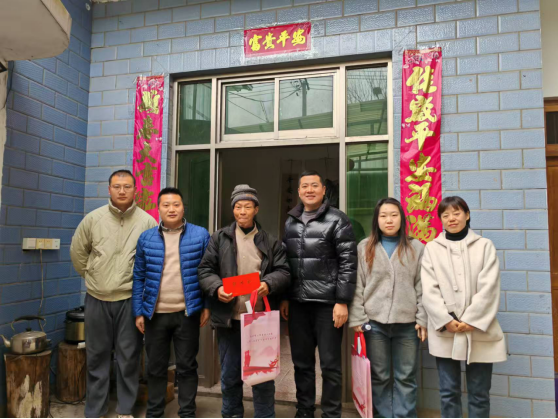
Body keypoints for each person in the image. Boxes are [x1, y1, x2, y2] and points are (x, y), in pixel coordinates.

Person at [70, 170, 158, 419]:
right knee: (96, 356)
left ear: (135, 190)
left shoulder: (147, 222)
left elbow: (153, 261)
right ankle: (95, 410)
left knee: (129, 357)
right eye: (117, 186)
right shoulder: (93, 219)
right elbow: (78, 252)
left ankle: (125, 410)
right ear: (109, 189)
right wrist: (93, 275)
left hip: (130, 300)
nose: (122, 191)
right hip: (97, 299)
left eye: (127, 186)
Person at [198, 185, 291, 419]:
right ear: (233, 210)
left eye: (247, 207)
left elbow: (284, 271)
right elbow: (205, 270)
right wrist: (217, 287)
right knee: (230, 375)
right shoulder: (219, 238)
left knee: (263, 376)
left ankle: (265, 415)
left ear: (256, 209)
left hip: (258, 321)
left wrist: (268, 283)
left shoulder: (270, 241)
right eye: (238, 207)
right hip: (229, 319)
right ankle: (231, 414)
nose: (242, 211)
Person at [421, 196, 507, 419]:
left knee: (479, 393)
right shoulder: (432, 249)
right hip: (445, 329)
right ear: (440, 219)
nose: (451, 218)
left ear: (467, 215)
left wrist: (470, 320)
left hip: (478, 328)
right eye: (445, 215)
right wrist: (446, 319)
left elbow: (490, 287)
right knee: (448, 392)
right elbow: (429, 289)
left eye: (456, 213)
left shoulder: (484, 246)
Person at [281, 171, 358, 419]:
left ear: (323, 190)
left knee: (330, 365)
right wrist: (285, 297)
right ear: (299, 191)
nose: (309, 190)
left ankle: (331, 413)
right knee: (301, 364)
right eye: (305, 186)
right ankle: (304, 410)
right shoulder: (291, 221)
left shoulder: (338, 219)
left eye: (314, 185)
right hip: (297, 304)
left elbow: (348, 263)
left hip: (328, 305)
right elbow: (285, 263)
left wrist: (342, 301)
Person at [132, 188, 211, 418]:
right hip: (155, 314)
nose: (171, 209)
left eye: (176, 204)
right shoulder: (146, 238)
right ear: (158, 209)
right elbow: (138, 277)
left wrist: (206, 306)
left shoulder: (200, 235)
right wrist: (138, 312)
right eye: (166, 205)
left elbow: (208, 272)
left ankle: (187, 413)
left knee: (187, 367)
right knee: (155, 368)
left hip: (187, 313)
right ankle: (154, 413)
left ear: (183, 207)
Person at [349, 198, 427, 418]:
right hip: (374, 324)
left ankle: (404, 415)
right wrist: (358, 317)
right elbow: (357, 285)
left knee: (406, 376)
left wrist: (422, 318)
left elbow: (422, 286)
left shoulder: (416, 247)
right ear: (377, 220)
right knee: (379, 376)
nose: (389, 220)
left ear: (402, 218)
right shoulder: (365, 247)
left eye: (394, 215)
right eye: (383, 216)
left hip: (408, 325)